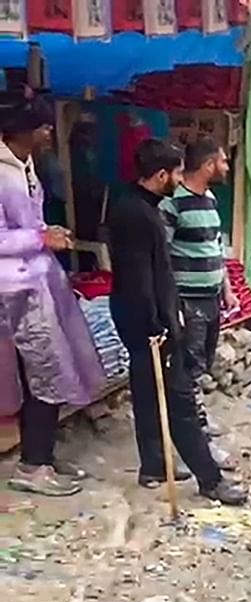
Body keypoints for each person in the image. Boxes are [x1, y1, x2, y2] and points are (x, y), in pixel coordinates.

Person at [107, 139, 246, 504]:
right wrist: (159, 324)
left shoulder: (138, 206)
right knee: (180, 399)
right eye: (177, 173)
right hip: (148, 319)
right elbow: (139, 276)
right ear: (161, 175)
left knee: (149, 392)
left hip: (145, 314)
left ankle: (154, 464)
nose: (180, 179)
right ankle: (210, 480)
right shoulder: (138, 214)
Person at [0, 98, 105, 496]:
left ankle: (38, 455)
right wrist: (40, 238)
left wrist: (46, 233)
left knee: (45, 372)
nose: (49, 134)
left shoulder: (25, 166)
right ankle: (32, 465)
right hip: (16, 289)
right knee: (42, 372)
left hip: (38, 282)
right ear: (25, 131)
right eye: (44, 127)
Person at [159, 136, 236, 438]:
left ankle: (196, 419)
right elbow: (162, 256)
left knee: (201, 361)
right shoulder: (172, 203)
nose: (226, 167)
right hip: (187, 300)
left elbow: (215, 247)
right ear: (208, 165)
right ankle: (193, 428)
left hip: (211, 297)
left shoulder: (211, 200)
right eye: (223, 161)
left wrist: (226, 287)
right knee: (188, 365)